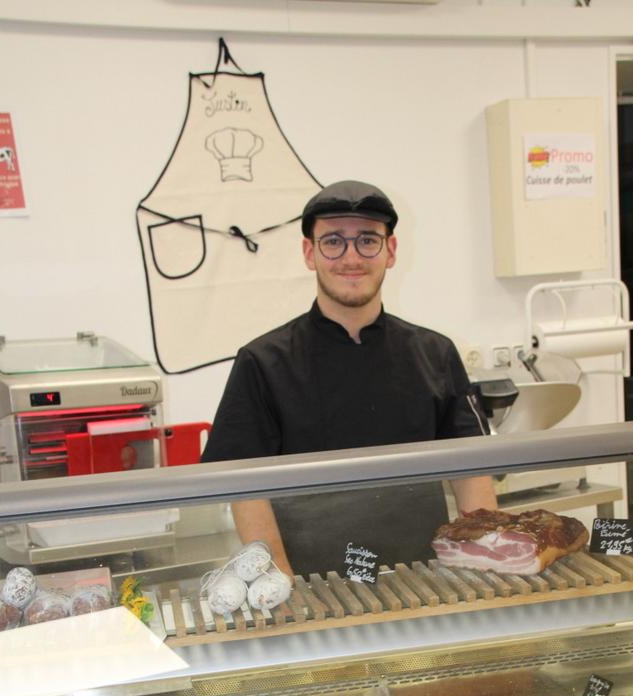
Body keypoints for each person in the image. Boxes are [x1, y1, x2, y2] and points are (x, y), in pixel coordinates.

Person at [201, 179, 497, 577]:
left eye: (367, 240)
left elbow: (472, 471)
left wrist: (490, 563)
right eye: (334, 241)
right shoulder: (262, 362)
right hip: (312, 586)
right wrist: (283, 585)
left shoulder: (435, 353)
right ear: (310, 253)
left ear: (390, 251)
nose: (351, 257)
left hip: (425, 580)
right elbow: (243, 488)